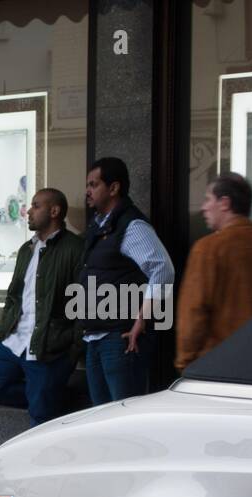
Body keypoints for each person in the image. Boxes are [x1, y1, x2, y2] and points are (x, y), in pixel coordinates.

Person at [0, 188, 85, 426]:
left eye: (36, 206)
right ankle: (50, 400)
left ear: (54, 211)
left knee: (40, 418)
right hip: (14, 340)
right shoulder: (26, 249)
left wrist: (72, 346)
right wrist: (4, 330)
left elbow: (84, 302)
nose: (29, 211)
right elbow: (14, 295)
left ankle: (46, 404)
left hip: (49, 346)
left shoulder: (75, 248)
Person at [176, 174, 252, 371]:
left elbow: (193, 313)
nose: (203, 207)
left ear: (224, 203)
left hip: (221, 365)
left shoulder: (207, 249)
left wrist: (186, 362)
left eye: (208, 199)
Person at [78, 157, 176, 404]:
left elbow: (163, 270)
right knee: (100, 420)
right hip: (96, 336)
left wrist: (141, 321)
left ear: (114, 188)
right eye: (87, 185)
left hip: (120, 339)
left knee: (122, 416)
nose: (88, 191)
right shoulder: (99, 226)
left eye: (94, 184)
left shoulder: (131, 225)